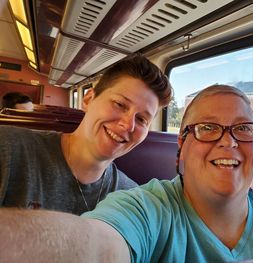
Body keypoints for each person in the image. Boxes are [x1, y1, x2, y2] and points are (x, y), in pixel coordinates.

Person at [0, 85, 253, 262]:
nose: (229, 141)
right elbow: (97, 246)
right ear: (181, 147)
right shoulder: (144, 208)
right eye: (208, 128)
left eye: (244, 128)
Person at [0, 54, 172, 215]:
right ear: (89, 99)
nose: (128, 124)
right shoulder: (8, 148)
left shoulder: (130, 198)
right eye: (120, 104)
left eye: (141, 119)